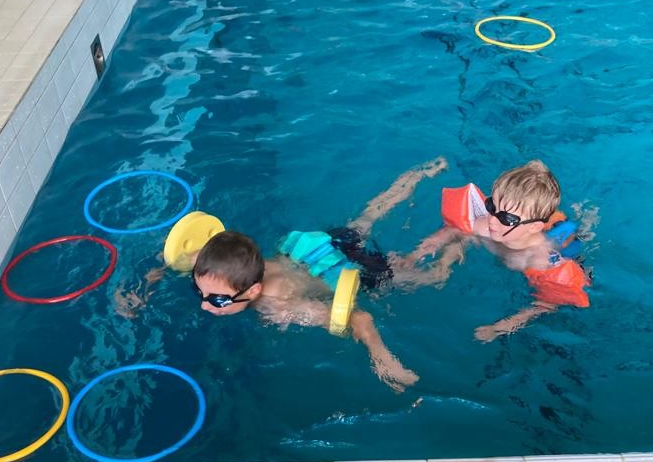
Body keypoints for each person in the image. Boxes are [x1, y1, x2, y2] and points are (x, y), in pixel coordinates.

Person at [116, 157, 451, 390]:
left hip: (341, 272)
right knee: (366, 218)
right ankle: (417, 175)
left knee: (425, 277)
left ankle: (456, 238)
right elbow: (189, 256)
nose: (205, 305)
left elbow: (360, 319)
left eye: (218, 300)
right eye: (200, 292)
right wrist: (147, 283)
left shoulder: (279, 305)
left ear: (252, 292)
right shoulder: (226, 262)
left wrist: (382, 359)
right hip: (309, 249)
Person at [394, 159, 591, 342]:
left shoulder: (541, 261)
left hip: (559, 247)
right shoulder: (488, 224)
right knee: (462, 237)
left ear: (533, 227)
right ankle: (440, 271)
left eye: (506, 218)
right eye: (491, 206)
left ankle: (586, 219)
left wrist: (502, 327)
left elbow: (545, 304)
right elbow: (453, 230)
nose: (492, 220)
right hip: (520, 233)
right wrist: (414, 256)